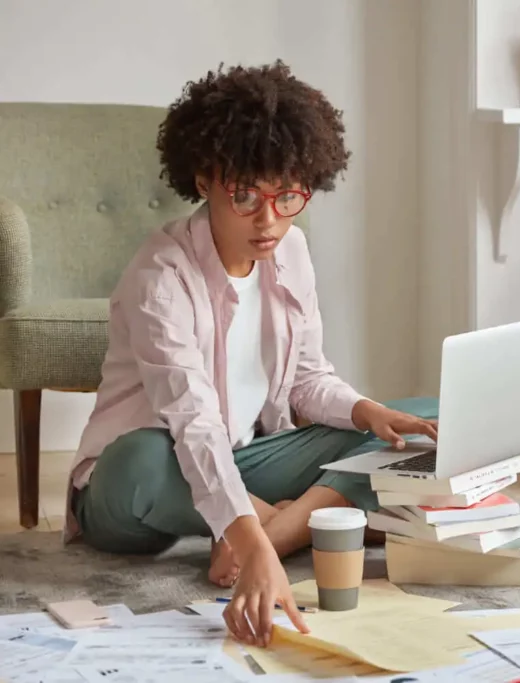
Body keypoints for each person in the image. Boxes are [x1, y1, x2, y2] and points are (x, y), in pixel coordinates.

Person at [62, 60, 438, 646]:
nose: (269, 221)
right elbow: (194, 427)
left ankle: (275, 530)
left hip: (246, 459)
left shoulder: (292, 249)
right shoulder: (161, 277)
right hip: (140, 484)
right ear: (205, 179)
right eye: (245, 196)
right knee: (141, 459)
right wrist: (255, 547)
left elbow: (308, 380)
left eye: (288, 197)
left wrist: (369, 413)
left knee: (422, 425)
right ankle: (287, 527)